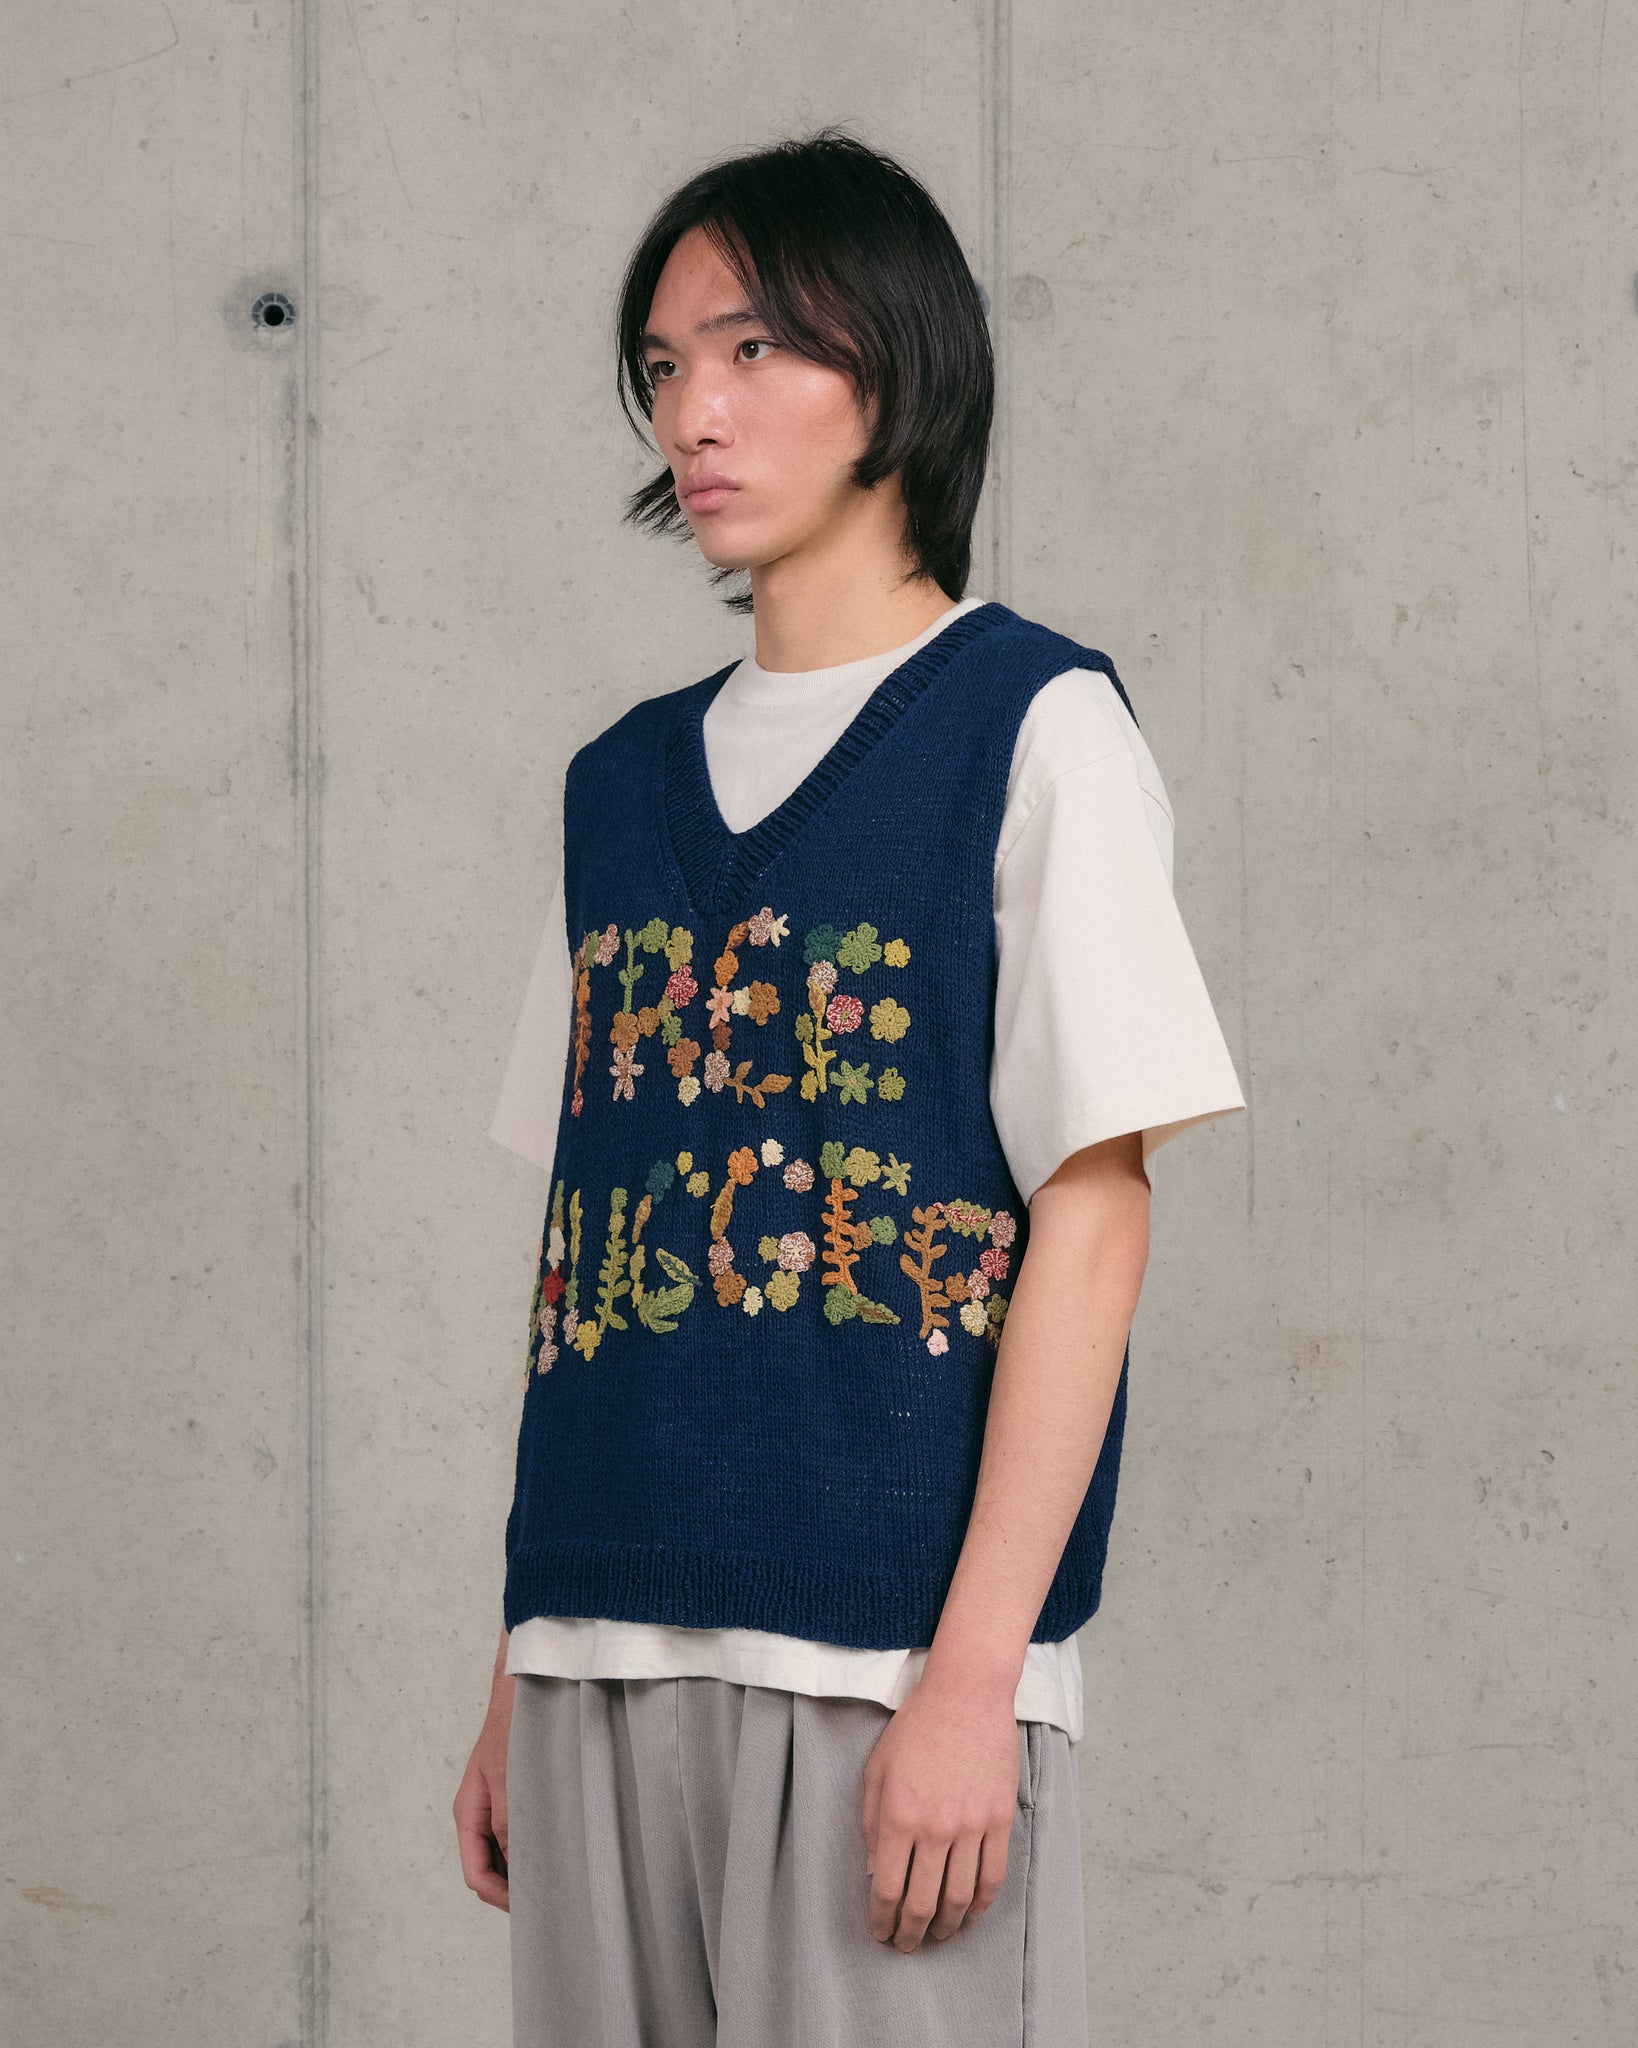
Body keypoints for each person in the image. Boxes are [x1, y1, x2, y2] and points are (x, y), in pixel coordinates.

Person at [454, 128, 1245, 2047]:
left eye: (751, 351)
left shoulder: (1031, 724)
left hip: (885, 1661)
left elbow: (1092, 1217)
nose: (693, 414)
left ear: (890, 372)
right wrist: (513, 1665)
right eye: (664, 367)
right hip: (591, 1651)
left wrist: (975, 1681)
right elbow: (588, 1250)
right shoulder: (613, 789)